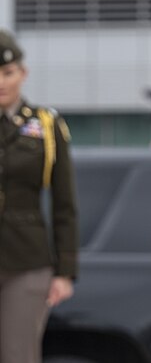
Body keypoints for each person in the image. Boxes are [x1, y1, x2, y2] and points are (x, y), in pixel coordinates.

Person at [0, 30, 77, 363]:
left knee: (18, 354)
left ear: (23, 73)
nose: (1, 81)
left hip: (26, 262)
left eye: (7, 72)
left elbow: (64, 204)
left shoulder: (46, 125)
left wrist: (65, 271)